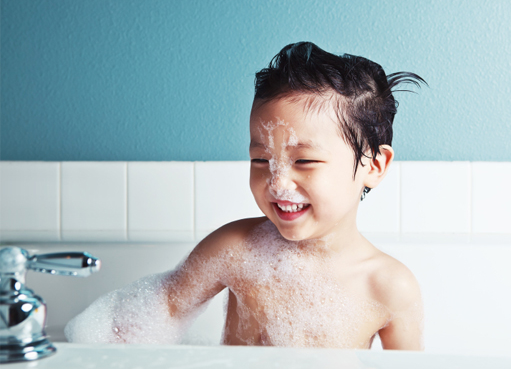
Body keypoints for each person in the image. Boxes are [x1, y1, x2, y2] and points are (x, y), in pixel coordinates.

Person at [67, 42, 426, 350]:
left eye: (304, 160)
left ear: (374, 165)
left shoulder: (389, 286)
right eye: (261, 159)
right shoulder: (235, 248)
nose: (278, 181)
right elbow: (162, 311)